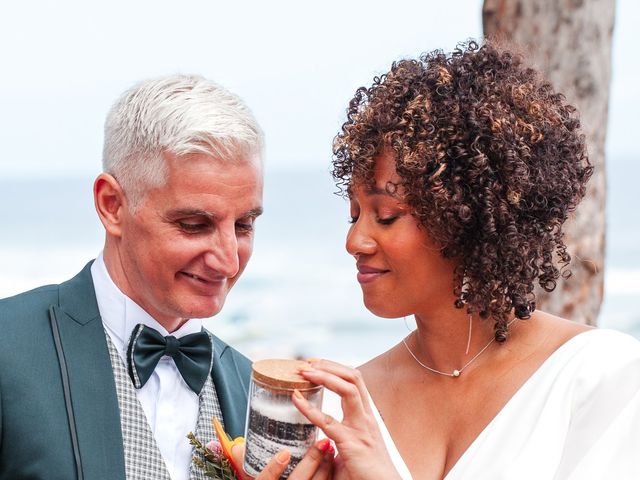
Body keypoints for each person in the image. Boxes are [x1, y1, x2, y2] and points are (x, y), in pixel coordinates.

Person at [293, 41, 640, 479]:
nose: (355, 240)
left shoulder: (599, 376)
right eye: (354, 215)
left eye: (386, 216)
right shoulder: (345, 406)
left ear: (464, 217)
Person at [0, 75, 331, 480]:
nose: (228, 262)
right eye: (194, 224)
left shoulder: (252, 388)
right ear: (112, 205)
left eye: (244, 225)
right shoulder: (8, 347)